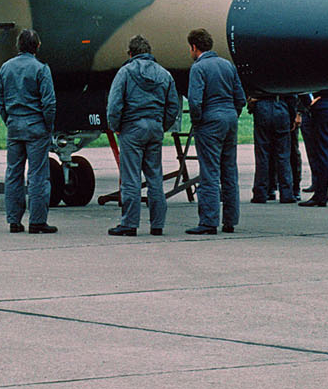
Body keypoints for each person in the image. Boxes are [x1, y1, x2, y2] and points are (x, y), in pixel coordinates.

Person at [105, 35, 181, 237]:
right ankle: (157, 224)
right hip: (155, 127)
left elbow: (114, 105)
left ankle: (129, 224)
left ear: (130, 53)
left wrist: (116, 126)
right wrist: (161, 125)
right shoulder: (165, 74)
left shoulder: (125, 73)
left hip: (132, 128)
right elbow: (173, 106)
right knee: (155, 177)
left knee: (131, 178)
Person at [0, 28, 59, 233]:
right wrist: (47, 127)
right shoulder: (41, 69)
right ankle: (37, 221)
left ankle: (14, 221)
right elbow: (49, 103)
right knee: (38, 175)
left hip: (14, 126)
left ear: (18, 46)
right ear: (37, 46)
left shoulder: (6, 68)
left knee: (13, 173)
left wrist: (9, 120)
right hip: (36, 127)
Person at [185, 28, 245, 235]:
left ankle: (209, 221)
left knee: (209, 172)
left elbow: (194, 100)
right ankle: (230, 221)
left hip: (210, 121)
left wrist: (198, 121)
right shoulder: (227, 65)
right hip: (229, 118)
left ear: (194, 47)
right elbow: (240, 98)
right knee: (229, 171)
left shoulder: (198, 68)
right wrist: (232, 114)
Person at [248, 93, 295, 203]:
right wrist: (292, 116)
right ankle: (286, 192)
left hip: (262, 106)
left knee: (262, 154)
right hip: (281, 106)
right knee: (283, 155)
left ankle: (260, 192)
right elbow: (292, 95)